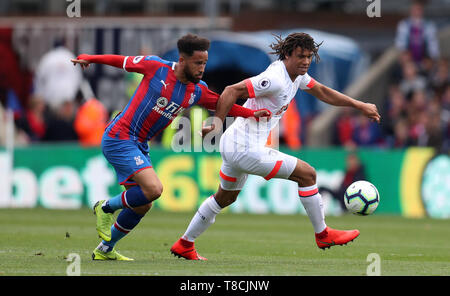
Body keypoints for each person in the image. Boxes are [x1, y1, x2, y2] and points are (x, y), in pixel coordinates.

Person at [170, 32, 381, 260]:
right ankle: (323, 234)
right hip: (244, 148)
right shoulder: (275, 78)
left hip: (235, 144)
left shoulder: (297, 76)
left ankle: (185, 243)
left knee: (225, 198)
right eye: (301, 56)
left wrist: (359, 105)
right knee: (308, 175)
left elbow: (322, 91)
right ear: (287, 55)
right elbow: (232, 90)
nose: (306, 62)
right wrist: (217, 121)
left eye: (309, 57)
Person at [71, 34, 271, 261]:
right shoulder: (156, 67)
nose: (202, 68)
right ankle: (105, 207)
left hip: (139, 144)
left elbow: (222, 104)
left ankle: (105, 249)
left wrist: (251, 113)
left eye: (204, 63)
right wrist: (91, 57)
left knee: (142, 204)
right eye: (197, 63)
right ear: (183, 60)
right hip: (120, 136)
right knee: (154, 190)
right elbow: (122, 61)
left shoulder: (197, 90)